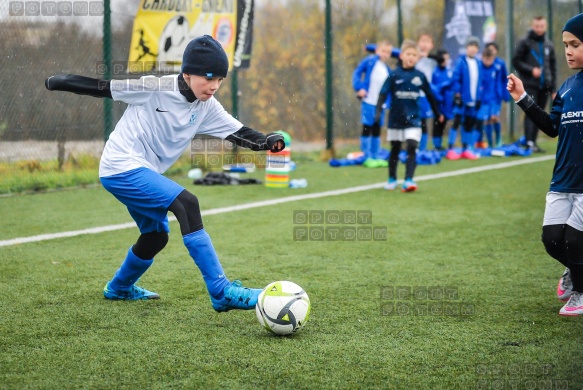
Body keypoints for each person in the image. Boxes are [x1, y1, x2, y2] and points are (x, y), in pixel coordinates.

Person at [44, 35, 285, 311]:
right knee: (187, 203)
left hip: (140, 171)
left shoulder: (206, 106)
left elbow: (239, 132)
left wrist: (267, 142)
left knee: (156, 236)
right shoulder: (154, 88)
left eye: (220, 79)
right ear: (187, 73)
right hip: (120, 165)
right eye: (209, 77)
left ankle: (119, 288)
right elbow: (103, 88)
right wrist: (59, 81)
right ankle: (221, 292)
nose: (215, 86)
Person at [507, 13, 583, 316]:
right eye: (565, 44)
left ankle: (580, 290)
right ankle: (574, 270)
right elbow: (552, 127)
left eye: (575, 44)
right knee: (553, 240)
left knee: (576, 239)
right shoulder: (566, 87)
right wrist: (523, 97)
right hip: (562, 180)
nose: (568, 51)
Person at [375, 40, 444, 192]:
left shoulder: (420, 76)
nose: (411, 57)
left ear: (418, 57)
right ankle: (392, 178)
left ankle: (409, 180)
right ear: (401, 55)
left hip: (413, 119)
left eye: (414, 55)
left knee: (412, 146)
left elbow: (430, 95)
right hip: (396, 120)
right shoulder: (394, 75)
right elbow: (382, 93)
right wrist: (378, 112)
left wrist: (438, 113)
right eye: (408, 54)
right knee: (395, 149)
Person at [512, 16, 557, 153]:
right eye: (537, 26)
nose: (539, 29)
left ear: (545, 27)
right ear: (533, 26)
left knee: (540, 114)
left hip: (545, 86)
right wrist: (531, 70)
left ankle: (533, 142)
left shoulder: (549, 45)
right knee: (530, 112)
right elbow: (516, 61)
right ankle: (529, 142)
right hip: (529, 84)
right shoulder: (525, 42)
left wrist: (554, 88)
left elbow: (553, 68)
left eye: (542, 26)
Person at [352, 40, 393, 168]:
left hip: (381, 104)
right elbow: (357, 73)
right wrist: (359, 87)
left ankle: (375, 156)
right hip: (369, 101)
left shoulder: (387, 69)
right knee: (367, 127)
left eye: (388, 52)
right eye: (382, 51)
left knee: (377, 128)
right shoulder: (369, 61)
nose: (385, 54)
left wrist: (389, 102)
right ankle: (366, 156)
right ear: (376, 50)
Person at [446, 36, 483, 160]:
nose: (472, 49)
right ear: (467, 47)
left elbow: (479, 82)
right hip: (462, 99)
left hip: (473, 100)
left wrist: (478, 98)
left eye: (475, 46)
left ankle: (466, 148)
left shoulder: (478, 63)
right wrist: (457, 94)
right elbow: (456, 79)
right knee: (456, 122)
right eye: (470, 46)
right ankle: (450, 148)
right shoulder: (461, 61)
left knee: (469, 123)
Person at [476, 46, 510, 148]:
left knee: (494, 117)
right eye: (485, 59)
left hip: (495, 97)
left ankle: (498, 139)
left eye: (489, 59)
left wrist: (505, 94)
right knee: (486, 119)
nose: (487, 61)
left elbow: (504, 79)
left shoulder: (499, 65)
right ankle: (490, 142)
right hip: (484, 99)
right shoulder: (479, 67)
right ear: (482, 58)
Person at [415, 33, 438, 151]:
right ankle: (411, 147)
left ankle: (422, 148)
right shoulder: (413, 57)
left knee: (423, 121)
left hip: (424, 96)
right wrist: (418, 56)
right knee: (412, 122)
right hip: (412, 95)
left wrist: (426, 55)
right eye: (422, 41)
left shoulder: (433, 60)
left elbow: (442, 59)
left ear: (432, 45)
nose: (424, 44)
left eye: (427, 41)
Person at [431, 48, 454, 151]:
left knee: (443, 122)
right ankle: (436, 145)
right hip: (438, 102)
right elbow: (433, 88)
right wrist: (441, 88)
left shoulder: (449, 71)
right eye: (444, 59)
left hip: (447, 102)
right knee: (437, 122)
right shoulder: (435, 72)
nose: (446, 61)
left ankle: (439, 144)